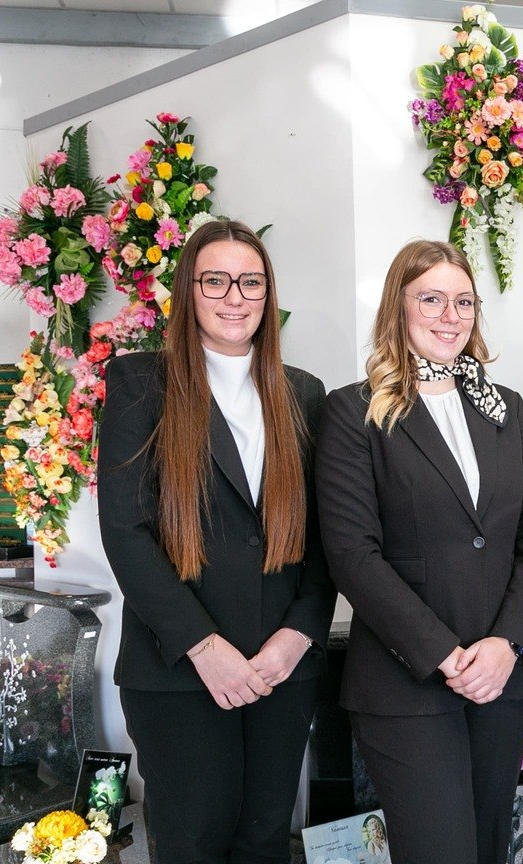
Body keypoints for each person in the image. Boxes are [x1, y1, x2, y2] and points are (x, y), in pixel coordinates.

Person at [315, 240, 523, 864]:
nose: (449, 316)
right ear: (398, 308)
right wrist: (447, 657)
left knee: (486, 853)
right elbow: (352, 554)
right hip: (407, 683)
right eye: (430, 299)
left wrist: (507, 645)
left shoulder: (506, 409)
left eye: (463, 302)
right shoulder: (352, 412)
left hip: (500, 677)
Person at [99, 219, 334, 864]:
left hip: (280, 667)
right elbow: (125, 532)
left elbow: (328, 535)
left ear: (267, 293)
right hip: (180, 670)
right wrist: (204, 649)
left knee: (264, 843)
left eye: (250, 282)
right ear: (189, 291)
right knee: (193, 844)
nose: (235, 296)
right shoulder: (141, 383)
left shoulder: (302, 393)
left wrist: (298, 636)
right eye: (216, 281)